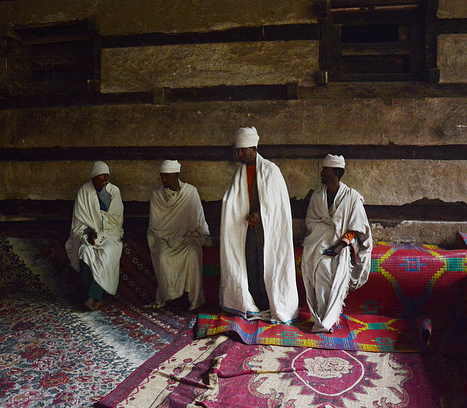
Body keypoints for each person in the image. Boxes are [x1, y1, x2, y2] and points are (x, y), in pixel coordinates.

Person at [220, 127, 299, 323]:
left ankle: (270, 305)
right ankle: (252, 305)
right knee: (250, 266)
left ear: (254, 148)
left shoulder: (271, 171)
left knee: (268, 266)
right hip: (245, 231)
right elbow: (231, 201)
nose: (240, 154)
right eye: (238, 150)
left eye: (243, 150)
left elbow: (278, 204)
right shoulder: (239, 173)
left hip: (267, 231)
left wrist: (262, 213)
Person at [301, 154, 373, 333]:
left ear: (336, 173)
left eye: (325, 170)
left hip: (343, 245)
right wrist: (326, 229)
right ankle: (321, 317)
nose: (322, 173)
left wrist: (340, 245)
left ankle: (327, 320)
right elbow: (310, 222)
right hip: (318, 243)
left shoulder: (352, 197)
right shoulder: (317, 196)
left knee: (328, 270)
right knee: (317, 271)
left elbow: (357, 226)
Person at [147, 160, 210, 311]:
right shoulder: (156, 195)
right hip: (164, 238)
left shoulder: (190, 192)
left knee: (193, 254)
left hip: (186, 238)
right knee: (163, 258)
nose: (164, 180)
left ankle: (191, 298)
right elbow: (155, 224)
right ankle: (170, 298)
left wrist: (205, 235)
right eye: (162, 176)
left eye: (167, 176)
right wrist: (169, 236)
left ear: (176, 174)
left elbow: (198, 218)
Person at [65, 161, 124, 311]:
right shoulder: (84, 191)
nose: (105, 181)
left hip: (110, 234)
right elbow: (79, 222)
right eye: (101, 178)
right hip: (91, 234)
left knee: (107, 252)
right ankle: (88, 296)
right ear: (93, 178)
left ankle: (94, 297)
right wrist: (88, 234)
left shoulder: (113, 191)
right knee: (85, 251)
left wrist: (103, 228)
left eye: (106, 177)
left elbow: (116, 219)